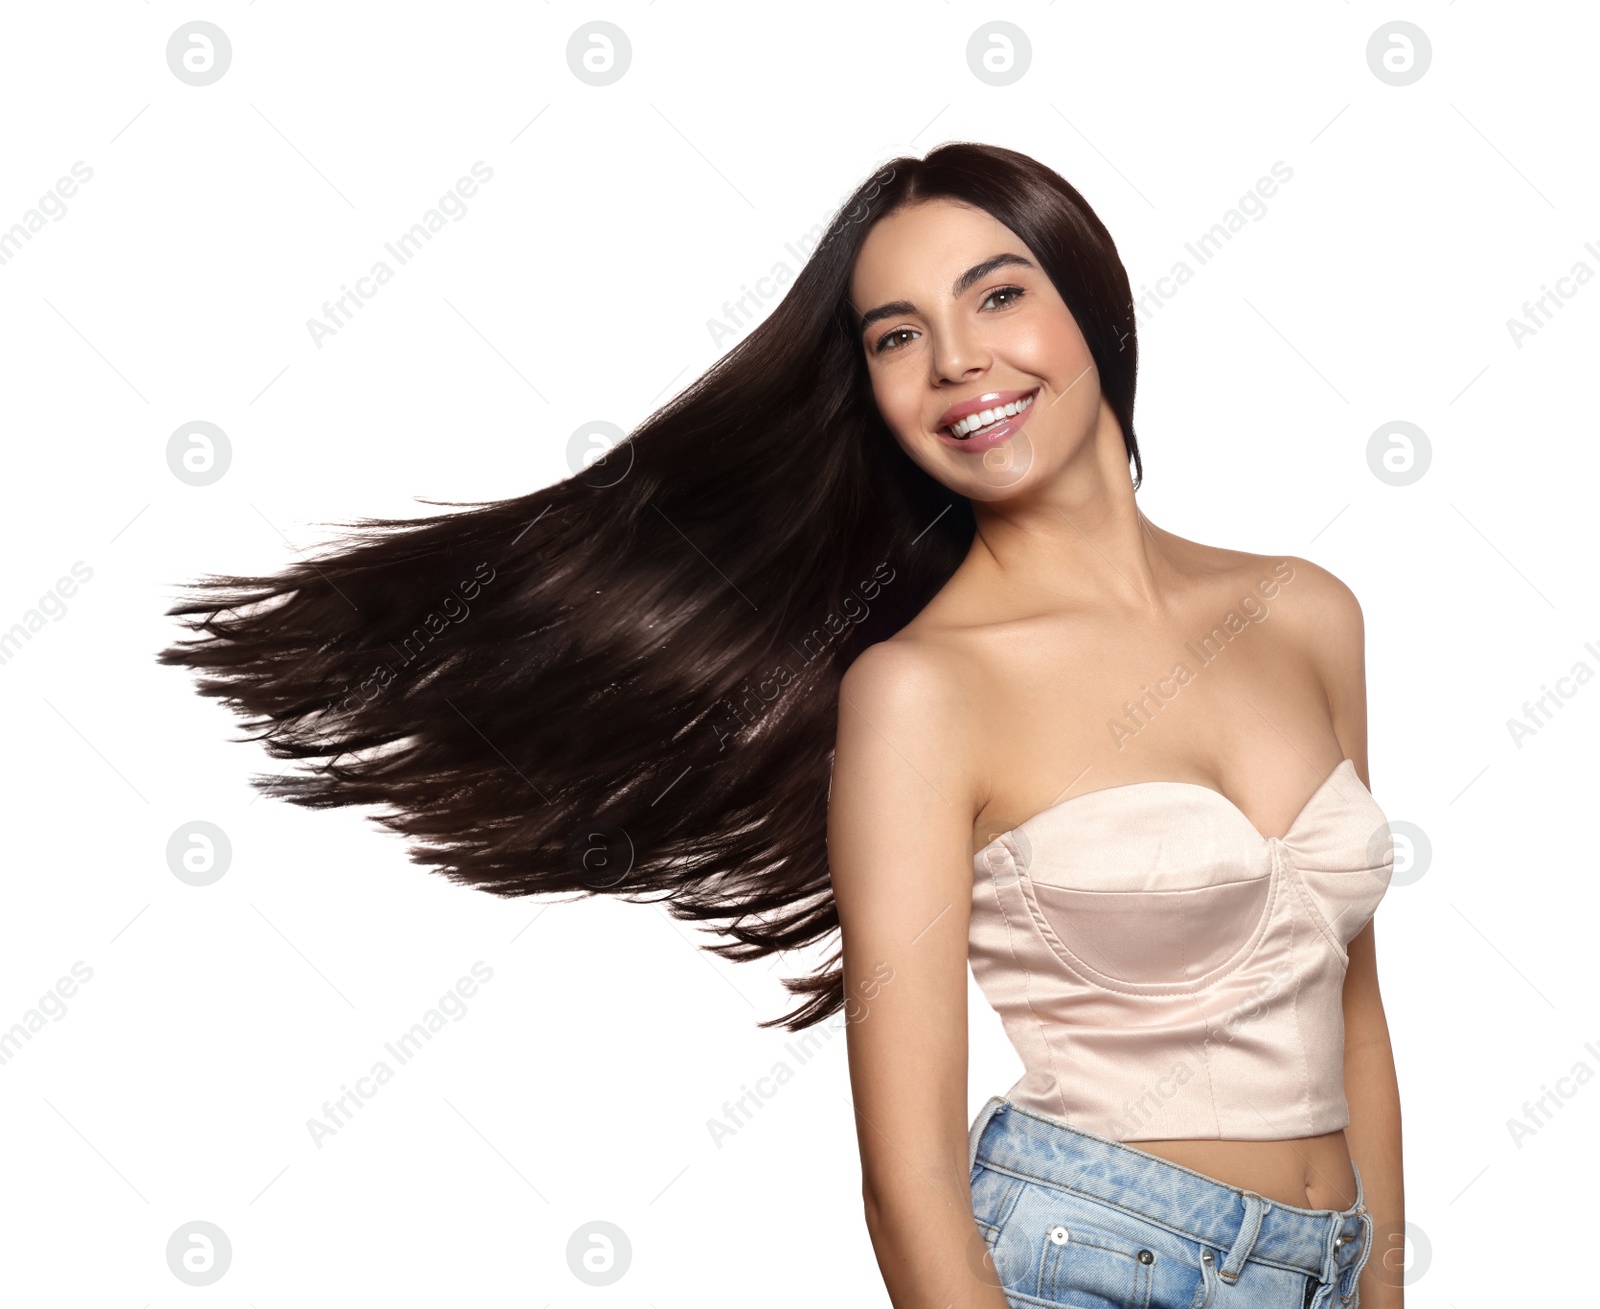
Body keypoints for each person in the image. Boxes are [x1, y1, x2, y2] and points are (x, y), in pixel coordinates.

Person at [157, 141, 1402, 1308]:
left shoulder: (1303, 612)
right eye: (897, 335)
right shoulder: (922, 689)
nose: (958, 361)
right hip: (1079, 1254)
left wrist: (1383, 1282)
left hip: (1327, 1256)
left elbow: (1352, 1010)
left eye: (998, 296)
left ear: (1096, 309)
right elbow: (905, 1179)